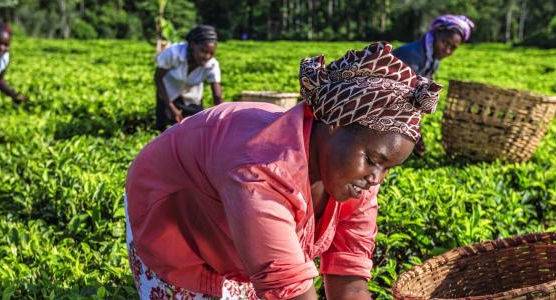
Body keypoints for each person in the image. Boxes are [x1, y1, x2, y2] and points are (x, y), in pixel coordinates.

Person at [125, 42, 442, 299]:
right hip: (175, 214)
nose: (376, 179)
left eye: (387, 168)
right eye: (373, 160)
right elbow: (288, 290)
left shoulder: (357, 177)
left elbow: (349, 278)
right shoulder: (260, 170)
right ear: (334, 124)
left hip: (235, 211)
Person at [392, 15, 475, 157]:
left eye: (453, 48)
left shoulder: (433, 59)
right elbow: (398, 100)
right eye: (444, 42)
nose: (447, 51)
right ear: (436, 34)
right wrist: (415, 134)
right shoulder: (412, 55)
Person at [155, 25, 224, 131]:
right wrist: (171, 108)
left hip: (192, 98)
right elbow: (158, 78)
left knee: (194, 130)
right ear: (192, 45)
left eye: (211, 53)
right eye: (203, 51)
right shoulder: (173, 53)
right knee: (165, 131)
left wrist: (221, 119)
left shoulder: (212, 64)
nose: (207, 57)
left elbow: (217, 96)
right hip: (168, 95)